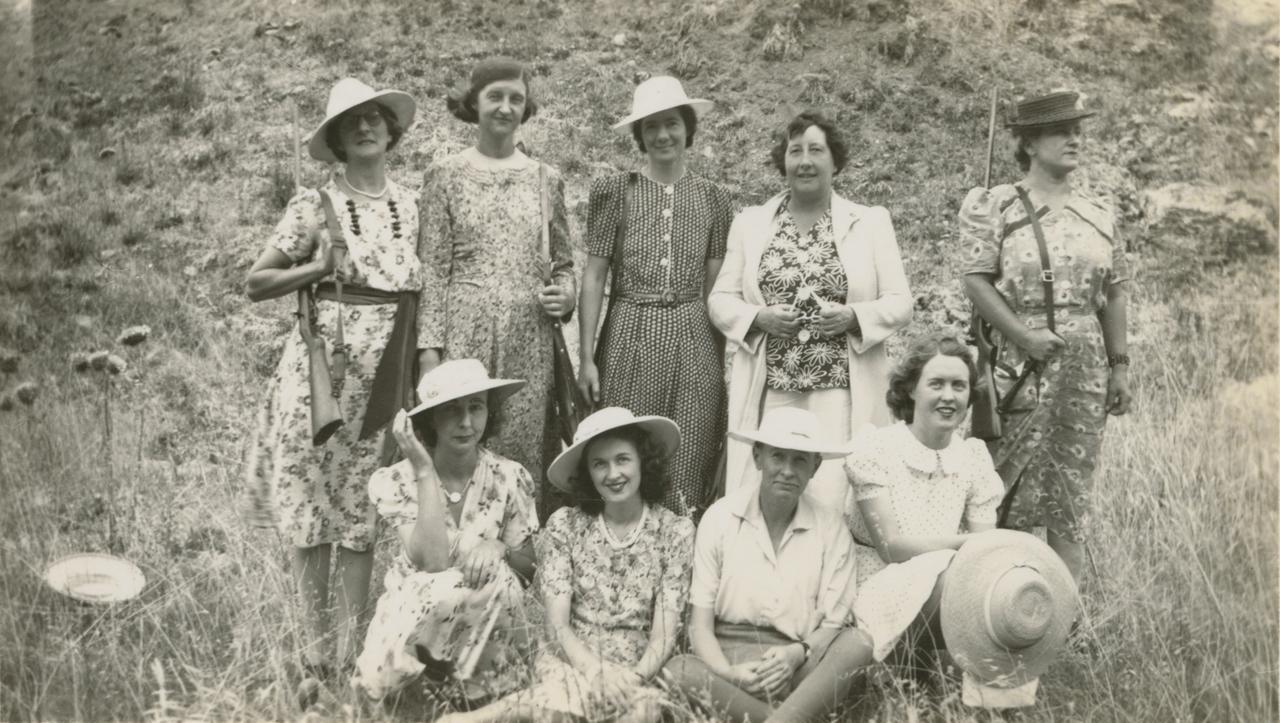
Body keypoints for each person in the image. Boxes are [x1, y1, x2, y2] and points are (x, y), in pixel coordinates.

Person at [243, 77, 421, 690]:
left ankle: (350, 656)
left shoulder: (411, 205)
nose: (367, 126)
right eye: (353, 122)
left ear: (390, 129)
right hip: (320, 380)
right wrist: (316, 268)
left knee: (362, 512)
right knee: (312, 514)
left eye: (375, 117)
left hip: (384, 379)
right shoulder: (311, 206)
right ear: (339, 140)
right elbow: (256, 281)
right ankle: (313, 655)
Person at [959, 90, 1132, 584]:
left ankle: (1056, 622)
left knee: (1069, 496)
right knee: (998, 489)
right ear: (1030, 143)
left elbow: (1115, 294)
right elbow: (975, 278)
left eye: (1079, 130)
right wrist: (1024, 335)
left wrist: (1119, 364)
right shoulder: (996, 205)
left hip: (1083, 372)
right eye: (1062, 130)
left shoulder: (1099, 213)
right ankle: (988, 607)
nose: (1075, 139)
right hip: (1018, 365)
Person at [709, 111, 911, 513]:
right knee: (769, 492)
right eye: (795, 151)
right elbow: (720, 299)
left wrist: (853, 316)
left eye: (816, 150)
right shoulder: (751, 223)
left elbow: (900, 302)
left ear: (835, 161)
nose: (804, 161)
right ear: (782, 162)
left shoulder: (869, 223)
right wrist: (757, 319)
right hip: (771, 389)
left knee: (835, 493)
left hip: (839, 390)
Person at [444, 407, 694, 722]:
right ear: (587, 473)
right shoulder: (566, 525)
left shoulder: (675, 531)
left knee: (640, 713)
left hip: (638, 670)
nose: (613, 474)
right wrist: (596, 671)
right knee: (556, 707)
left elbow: (664, 636)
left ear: (643, 461)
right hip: (574, 661)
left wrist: (631, 678)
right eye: (599, 464)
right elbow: (557, 625)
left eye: (622, 459)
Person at [417, 57, 575, 509]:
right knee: (460, 444)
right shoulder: (444, 176)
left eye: (516, 99)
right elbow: (432, 268)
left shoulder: (547, 179)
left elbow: (564, 264)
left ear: (526, 108)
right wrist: (429, 354)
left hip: (530, 338)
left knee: (522, 452)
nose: (506, 108)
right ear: (475, 103)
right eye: (495, 97)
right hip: (463, 334)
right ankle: (453, 558)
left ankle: (521, 559)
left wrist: (563, 294)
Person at [577, 76, 734, 516]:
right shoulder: (616, 191)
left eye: (671, 124)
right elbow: (594, 278)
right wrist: (586, 357)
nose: (663, 135)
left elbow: (716, 286)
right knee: (628, 446)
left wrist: (719, 359)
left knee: (689, 445)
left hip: (694, 335)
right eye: (651, 127)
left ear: (688, 128)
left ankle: (680, 549)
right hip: (630, 331)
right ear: (640, 136)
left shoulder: (713, 198)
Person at [665, 408, 875, 723]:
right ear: (757, 457)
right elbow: (700, 625)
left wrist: (797, 653)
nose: (788, 471)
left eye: (800, 460)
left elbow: (832, 624)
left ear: (815, 467)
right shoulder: (720, 518)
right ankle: (792, 717)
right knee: (677, 670)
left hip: (797, 666)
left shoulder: (832, 528)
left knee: (857, 644)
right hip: (729, 665)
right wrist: (729, 673)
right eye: (778, 457)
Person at [351, 359, 538, 704]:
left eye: (476, 407)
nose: (466, 422)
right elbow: (432, 562)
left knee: (503, 580)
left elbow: (527, 570)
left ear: (489, 412)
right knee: (440, 587)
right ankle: (413, 689)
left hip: (483, 618)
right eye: (451, 410)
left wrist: (498, 548)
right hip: (417, 617)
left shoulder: (510, 476)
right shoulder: (397, 479)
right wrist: (423, 470)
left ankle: (476, 690)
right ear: (430, 419)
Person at [843, 334, 1004, 667]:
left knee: (1003, 580)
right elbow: (892, 547)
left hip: (941, 583)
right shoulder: (876, 448)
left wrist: (982, 550)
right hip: (876, 584)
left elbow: (985, 554)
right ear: (912, 389)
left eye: (959, 386)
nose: (948, 396)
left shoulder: (973, 457)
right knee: (958, 577)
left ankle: (993, 700)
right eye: (936, 384)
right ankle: (911, 665)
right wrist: (969, 544)